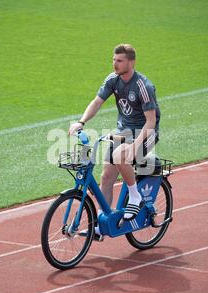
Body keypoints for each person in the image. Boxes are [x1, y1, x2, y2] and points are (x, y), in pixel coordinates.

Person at [68, 44, 160, 230]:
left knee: (120, 156)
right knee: (106, 177)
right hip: (123, 132)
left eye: (119, 61)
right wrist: (82, 122)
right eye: (113, 60)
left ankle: (135, 195)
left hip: (146, 132)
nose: (115, 64)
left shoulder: (143, 86)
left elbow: (150, 122)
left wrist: (134, 146)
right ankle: (103, 223)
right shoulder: (113, 80)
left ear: (131, 62)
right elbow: (97, 102)